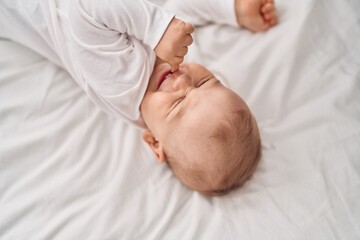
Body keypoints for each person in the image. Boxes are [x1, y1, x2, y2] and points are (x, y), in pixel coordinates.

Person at [0, 0, 277, 195]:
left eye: (178, 105)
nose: (182, 81)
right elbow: (176, 7)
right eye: (205, 82)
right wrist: (232, 9)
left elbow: (85, 7)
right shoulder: (159, 75)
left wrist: (157, 27)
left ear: (155, 142)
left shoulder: (124, 81)